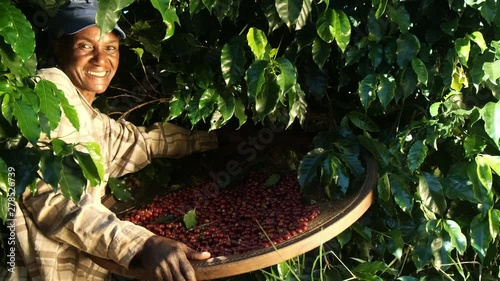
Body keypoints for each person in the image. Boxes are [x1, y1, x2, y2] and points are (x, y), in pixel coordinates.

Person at [7, 0, 223, 280]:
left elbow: (141, 143)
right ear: (58, 47)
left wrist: (214, 139)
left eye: (110, 47)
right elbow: (54, 200)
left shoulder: (84, 114)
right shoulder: (47, 92)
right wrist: (142, 244)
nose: (101, 60)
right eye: (85, 46)